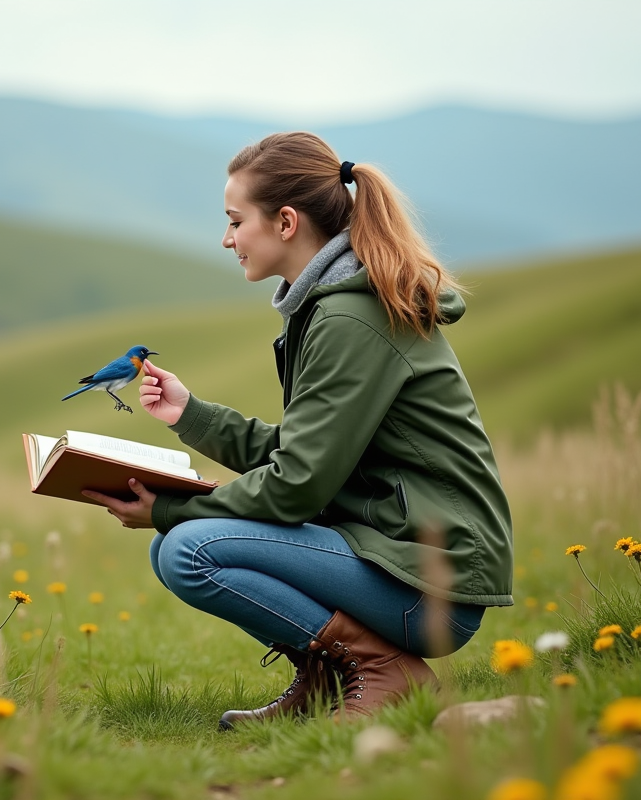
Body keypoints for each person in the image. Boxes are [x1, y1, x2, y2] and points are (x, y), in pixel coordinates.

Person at [82, 132, 513, 728]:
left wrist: (168, 509)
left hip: (432, 581)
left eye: (236, 221)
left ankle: (386, 672)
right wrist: (192, 416)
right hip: (393, 551)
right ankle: (330, 679)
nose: (227, 239)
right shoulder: (332, 306)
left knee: (187, 547)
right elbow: (303, 453)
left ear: (286, 222)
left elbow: (296, 486)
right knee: (174, 544)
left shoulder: (348, 318)